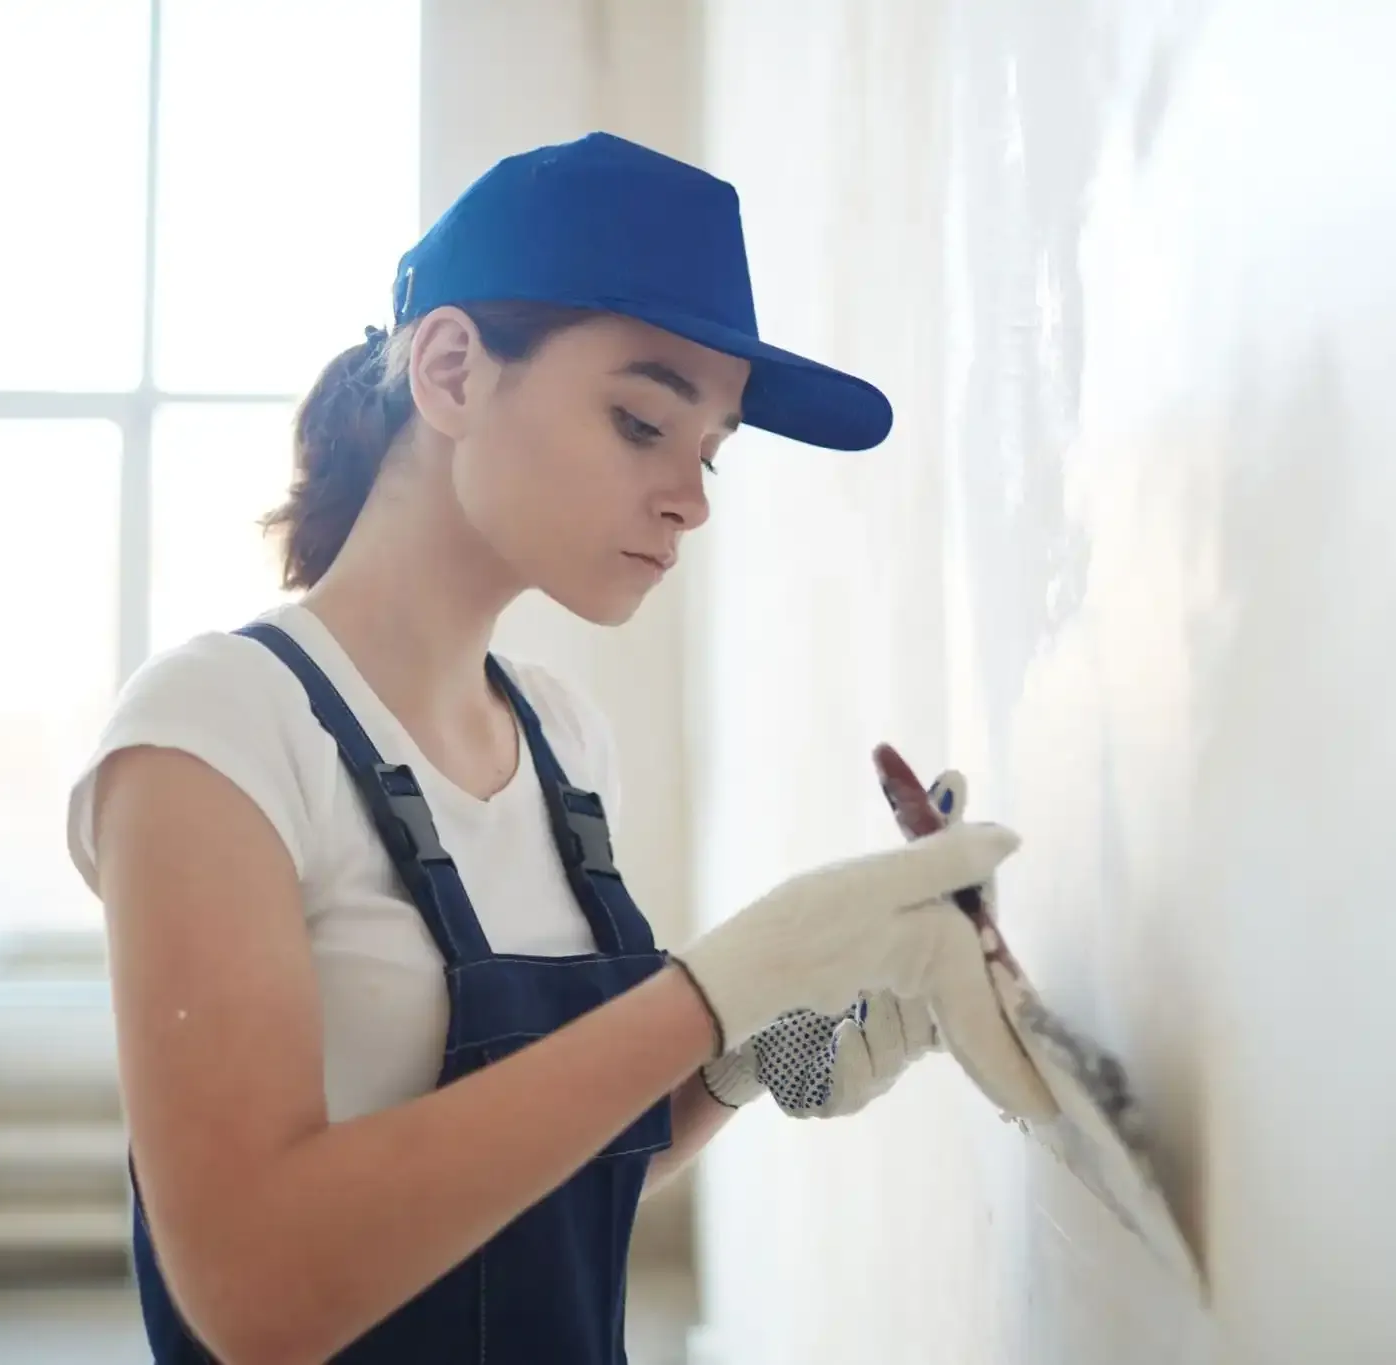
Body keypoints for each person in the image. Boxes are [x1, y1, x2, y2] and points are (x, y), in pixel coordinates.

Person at [66, 131, 1054, 1365]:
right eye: (642, 421)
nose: (691, 497)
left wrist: (749, 1053)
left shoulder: (563, 745)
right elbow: (258, 1294)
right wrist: (713, 989)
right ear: (449, 371)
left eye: (708, 452)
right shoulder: (214, 729)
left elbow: (530, 1195)